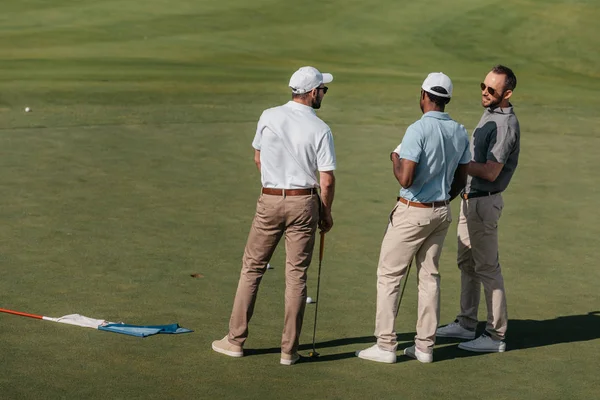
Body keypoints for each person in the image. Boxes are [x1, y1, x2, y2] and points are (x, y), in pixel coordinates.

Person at [211, 66, 336, 366]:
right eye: (323, 89)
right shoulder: (321, 128)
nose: (324, 94)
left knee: (252, 268)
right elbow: (327, 180)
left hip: (269, 199)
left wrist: (274, 186)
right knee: (296, 276)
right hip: (304, 203)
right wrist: (326, 213)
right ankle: (288, 351)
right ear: (311, 93)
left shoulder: (268, 115)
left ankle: (235, 340)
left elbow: (257, 157)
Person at [356, 72, 471, 364]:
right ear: (446, 100)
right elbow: (462, 176)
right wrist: (443, 197)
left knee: (389, 276)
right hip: (441, 211)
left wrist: (394, 157)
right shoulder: (459, 130)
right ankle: (424, 347)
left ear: (424, 95)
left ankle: (385, 345)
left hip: (413, 212)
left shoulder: (417, 129)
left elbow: (406, 179)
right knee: (429, 277)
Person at [436, 65, 520, 353]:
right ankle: (467, 322)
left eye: (491, 90)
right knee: (467, 264)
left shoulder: (504, 125)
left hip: (485, 203)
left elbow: (492, 171)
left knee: (487, 268)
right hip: (471, 200)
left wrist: (456, 161)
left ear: (506, 94)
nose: (484, 93)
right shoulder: (491, 112)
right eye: (482, 86)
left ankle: (496, 336)